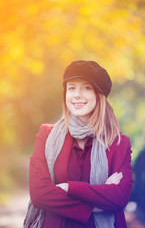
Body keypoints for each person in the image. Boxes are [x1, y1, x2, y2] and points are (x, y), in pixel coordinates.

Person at [23, 60, 133, 228]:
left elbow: (119, 198)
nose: (77, 95)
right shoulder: (47, 135)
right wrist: (95, 203)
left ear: (99, 94)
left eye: (86, 88)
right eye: (71, 88)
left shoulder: (118, 143)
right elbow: (39, 194)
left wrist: (69, 188)